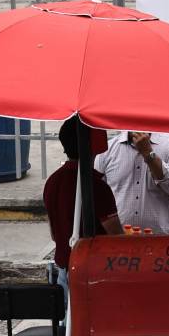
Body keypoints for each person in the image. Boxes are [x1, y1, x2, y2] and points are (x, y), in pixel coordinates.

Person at [45, 116, 123, 283]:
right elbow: (116, 236)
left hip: (63, 270)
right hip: (92, 273)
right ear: (92, 144)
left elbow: (54, 234)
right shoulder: (95, 186)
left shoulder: (52, 182)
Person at [95, 130, 169, 235]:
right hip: (119, 241)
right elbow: (98, 195)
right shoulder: (108, 149)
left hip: (162, 242)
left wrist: (149, 154)